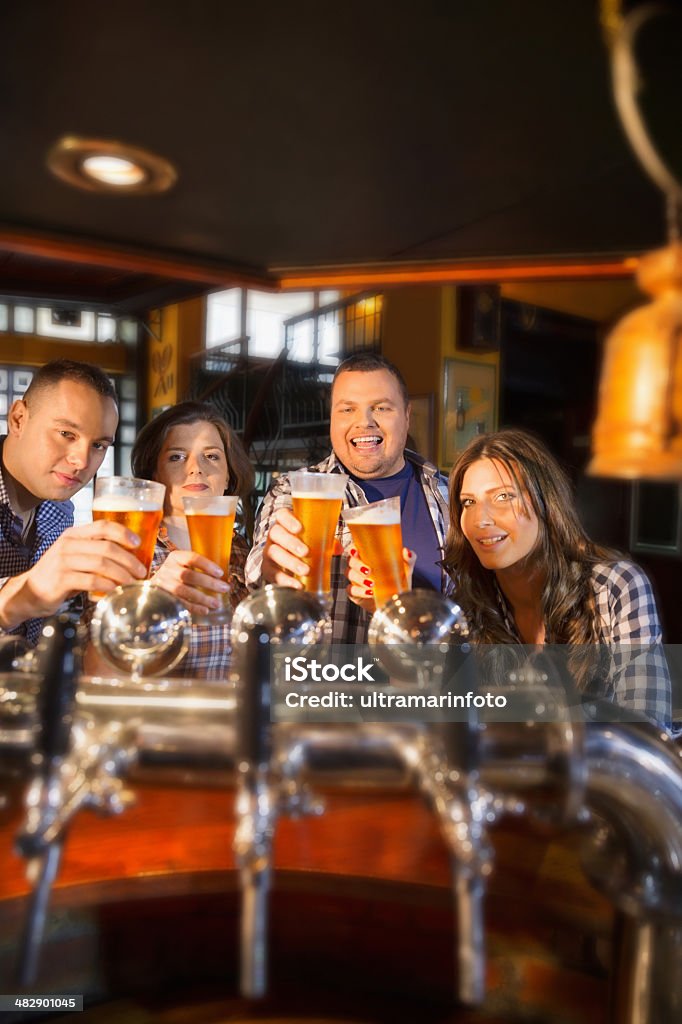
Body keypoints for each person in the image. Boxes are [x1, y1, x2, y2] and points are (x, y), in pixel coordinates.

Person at [442, 428, 672, 731]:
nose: (480, 520)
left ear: (545, 503)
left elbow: (647, 728)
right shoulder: (467, 607)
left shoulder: (613, 585)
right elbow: (441, 727)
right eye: (468, 502)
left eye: (503, 496)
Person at [245, 353, 450, 643]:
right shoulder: (296, 490)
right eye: (347, 410)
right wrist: (272, 567)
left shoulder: (448, 494)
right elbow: (257, 570)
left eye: (380, 407)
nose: (364, 422)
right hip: (329, 684)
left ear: (406, 416)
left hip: (432, 684)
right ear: (331, 419)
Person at [0, 360, 148, 646]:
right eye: (66, 434)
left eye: (98, 445)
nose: (81, 461)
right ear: (18, 419)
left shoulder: (60, 511)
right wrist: (26, 593)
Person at [131, 401, 254, 678]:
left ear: (228, 477)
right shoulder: (128, 551)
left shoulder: (250, 555)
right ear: (155, 476)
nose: (196, 468)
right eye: (176, 457)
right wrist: (149, 600)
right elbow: (95, 664)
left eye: (211, 456)